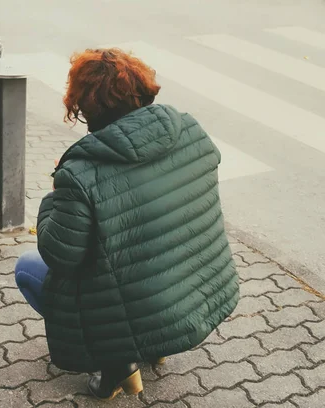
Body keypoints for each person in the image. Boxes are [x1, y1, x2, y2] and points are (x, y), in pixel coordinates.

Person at [15, 48, 239, 401]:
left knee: (27, 268)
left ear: (86, 107)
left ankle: (118, 369)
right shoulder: (191, 133)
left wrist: (57, 191)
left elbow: (60, 254)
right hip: (195, 293)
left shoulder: (81, 172)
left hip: (140, 308)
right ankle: (156, 346)